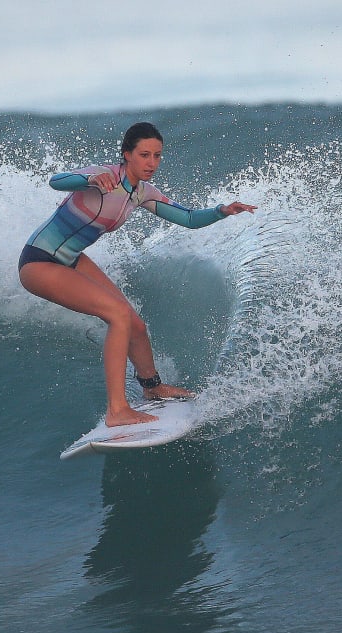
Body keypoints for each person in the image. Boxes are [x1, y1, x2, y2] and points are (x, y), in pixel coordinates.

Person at [19, 122, 256, 427]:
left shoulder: (142, 192)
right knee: (117, 315)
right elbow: (57, 181)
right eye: (144, 155)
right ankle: (117, 410)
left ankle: (152, 387)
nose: (151, 163)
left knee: (134, 324)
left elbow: (188, 218)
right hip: (39, 261)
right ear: (126, 154)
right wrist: (89, 178)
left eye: (157, 156)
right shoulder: (103, 176)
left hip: (72, 258)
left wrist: (222, 210)